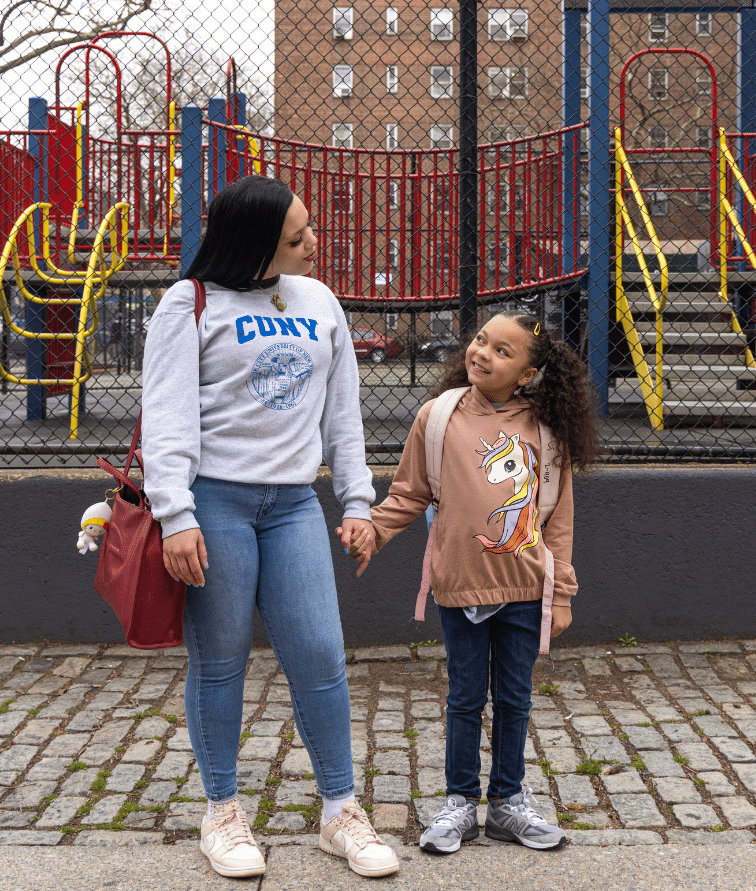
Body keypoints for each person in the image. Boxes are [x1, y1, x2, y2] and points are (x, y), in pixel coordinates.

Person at [141, 176, 399, 879]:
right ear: (253, 243)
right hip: (214, 504)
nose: (313, 243)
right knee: (220, 659)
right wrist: (176, 514)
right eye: (296, 237)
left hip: (291, 504)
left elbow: (341, 413)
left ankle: (339, 810)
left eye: (308, 228)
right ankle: (221, 811)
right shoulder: (188, 304)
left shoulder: (319, 301)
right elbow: (165, 416)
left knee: (320, 652)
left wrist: (355, 502)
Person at [347, 311, 599, 855]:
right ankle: (460, 802)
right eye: (481, 340)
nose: (483, 352)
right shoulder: (438, 417)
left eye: (503, 351)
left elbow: (558, 519)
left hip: (527, 594)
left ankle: (507, 802)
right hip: (460, 588)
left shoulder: (547, 433)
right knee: (464, 700)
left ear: (529, 375)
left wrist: (561, 595)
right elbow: (408, 494)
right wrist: (374, 531)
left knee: (514, 700)